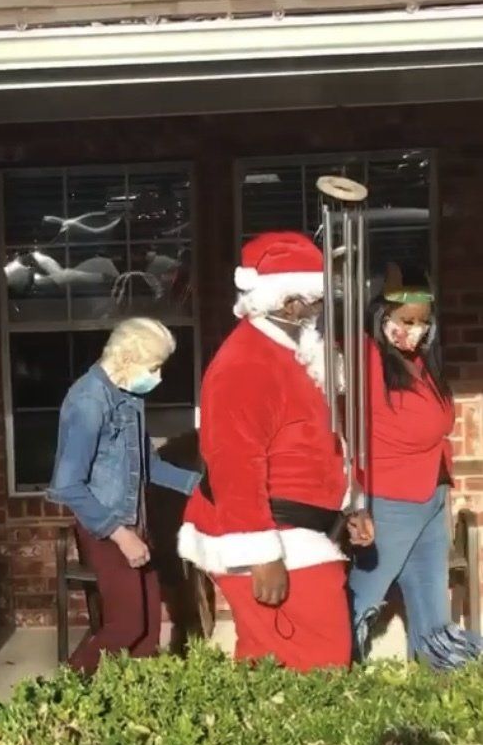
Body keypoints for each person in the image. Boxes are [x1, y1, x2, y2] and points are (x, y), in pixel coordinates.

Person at [178, 231, 372, 671]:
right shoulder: (245, 364)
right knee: (315, 663)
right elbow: (233, 464)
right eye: (316, 300)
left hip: (303, 530)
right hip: (271, 535)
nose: (323, 309)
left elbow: (317, 443)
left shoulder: (296, 352)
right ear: (288, 304)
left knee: (284, 664)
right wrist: (261, 554)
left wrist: (349, 505)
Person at [48, 317, 199, 674]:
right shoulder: (88, 401)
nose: (158, 376)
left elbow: (148, 466)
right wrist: (121, 536)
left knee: (147, 631)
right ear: (128, 358)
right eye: (154, 366)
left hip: (134, 520)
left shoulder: (127, 398)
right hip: (106, 527)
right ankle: (59, 697)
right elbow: (68, 484)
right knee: (126, 625)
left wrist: (201, 486)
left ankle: (136, 711)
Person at [348, 263, 458, 661]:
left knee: (432, 600)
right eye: (405, 320)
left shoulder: (422, 363)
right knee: (364, 596)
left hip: (432, 491)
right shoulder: (368, 358)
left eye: (422, 322)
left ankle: (439, 680)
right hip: (391, 497)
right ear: (383, 316)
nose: (414, 329)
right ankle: (333, 672)